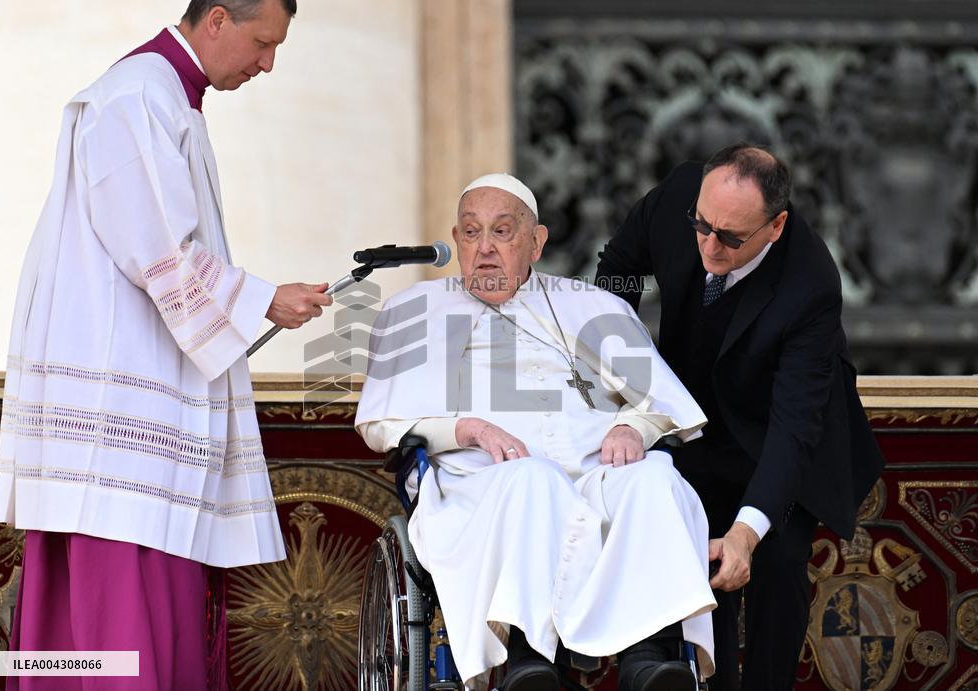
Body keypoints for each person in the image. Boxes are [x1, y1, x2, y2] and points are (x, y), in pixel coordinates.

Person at [0, 2, 332, 688]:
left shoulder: (163, 96)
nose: (267, 64)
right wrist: (264, 298)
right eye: (262, 43)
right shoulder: (140, 96)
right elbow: (161, 254)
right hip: (119, 428)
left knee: (103, 635)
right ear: (217, 19)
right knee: (123, 635)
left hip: (124, 428)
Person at [356, 173, 717, 691]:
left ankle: (650, 659)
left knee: (654, 478)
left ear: (536, 242)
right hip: (479, 484)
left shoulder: (594, 306)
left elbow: (661, 403)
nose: (484, 248)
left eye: (502, 231)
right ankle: (529, 663)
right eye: (471, 232)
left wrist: (633, 427)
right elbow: (381, 423)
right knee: (534, 480)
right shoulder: (414, 310)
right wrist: (466, 428)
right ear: (456, 239)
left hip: (596, 473)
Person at [595, 143, 885, 691]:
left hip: (777, 433)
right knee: (700, 561)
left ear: (775, 226)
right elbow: (618, 271)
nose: (709, 245)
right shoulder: (681, 195)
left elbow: (795, 426)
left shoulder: (811, 283)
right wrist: (622, 367)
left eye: (730, 238)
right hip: (693, 421)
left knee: (775, 563)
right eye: (702, 226)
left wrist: (746, 534)